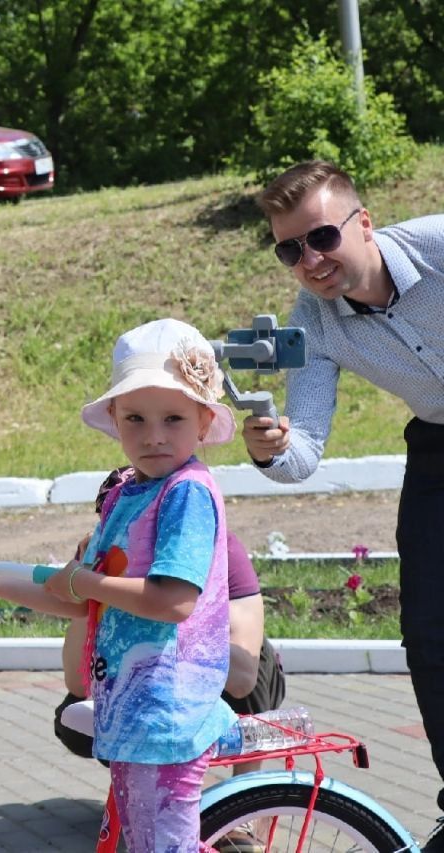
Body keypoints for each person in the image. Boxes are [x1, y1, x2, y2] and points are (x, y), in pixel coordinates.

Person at [0, 318, 239, 851]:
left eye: (173, 418)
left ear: (204, 421)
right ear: (114, 419)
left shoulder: (185, 493)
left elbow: (174, 600)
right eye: (135, 418)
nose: (154, 434)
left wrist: (88, 582)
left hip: (166, 717)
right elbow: (73, 597)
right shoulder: (126, 496)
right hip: (133, 717)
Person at [244, 160, 444, 848]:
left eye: (322, 236)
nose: (310, 260)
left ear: (364, 223)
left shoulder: (439, 248)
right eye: (289, 249)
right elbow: (304, 453)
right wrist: (272, 445)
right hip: (439, 447)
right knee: (429, 630)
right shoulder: (316, 323)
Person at [53, 466, 287, 784]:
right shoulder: (107, 552)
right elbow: (78, 685)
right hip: (153, 672)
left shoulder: (218, 545)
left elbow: (243, 679)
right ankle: (142, 787)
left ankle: (246, 793)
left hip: (225, 673)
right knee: (79, 717)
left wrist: (152, 625)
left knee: (246, 671)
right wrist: (92, 581)